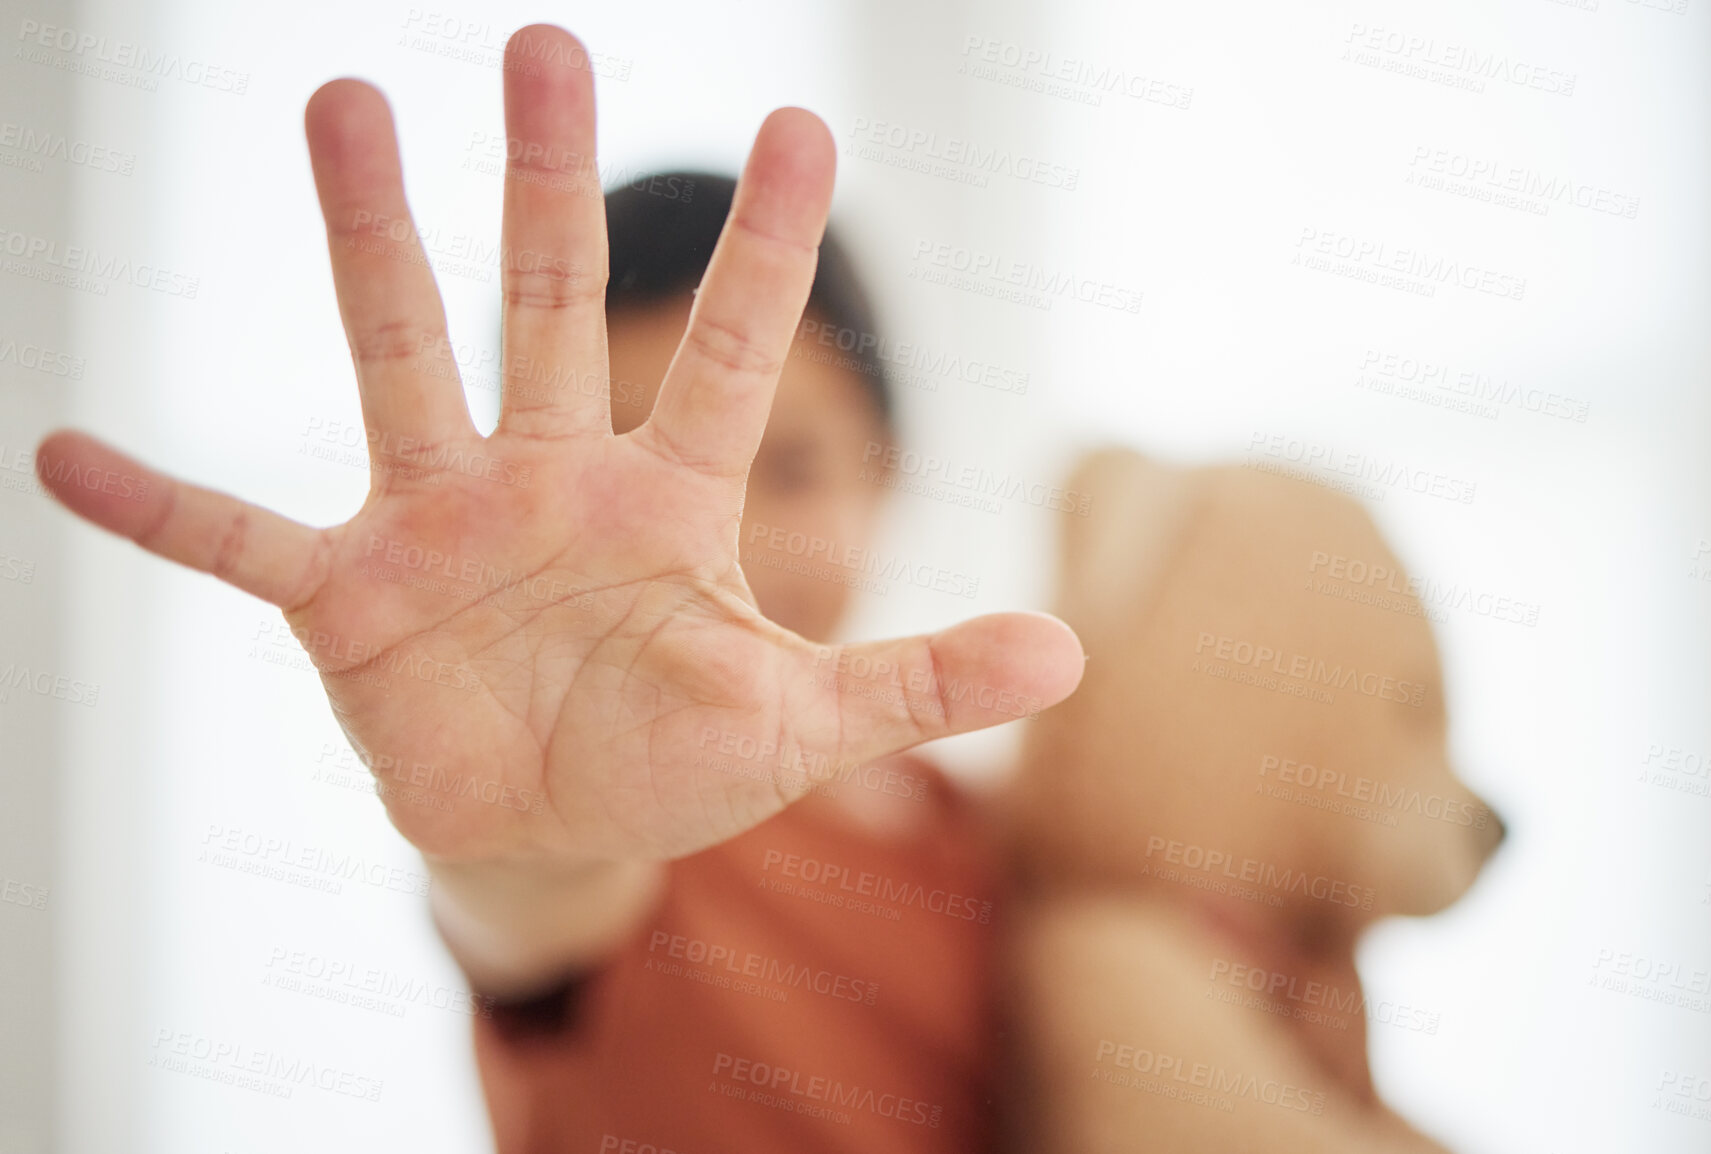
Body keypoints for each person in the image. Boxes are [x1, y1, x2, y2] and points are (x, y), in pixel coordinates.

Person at [34, 23, 1082, 1153]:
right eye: (630, 490)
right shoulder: (613, 801)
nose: (705, 552)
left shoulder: (1006, 839)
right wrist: (517, 853)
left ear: (892, 470)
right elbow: (531, 913)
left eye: (791, 467)